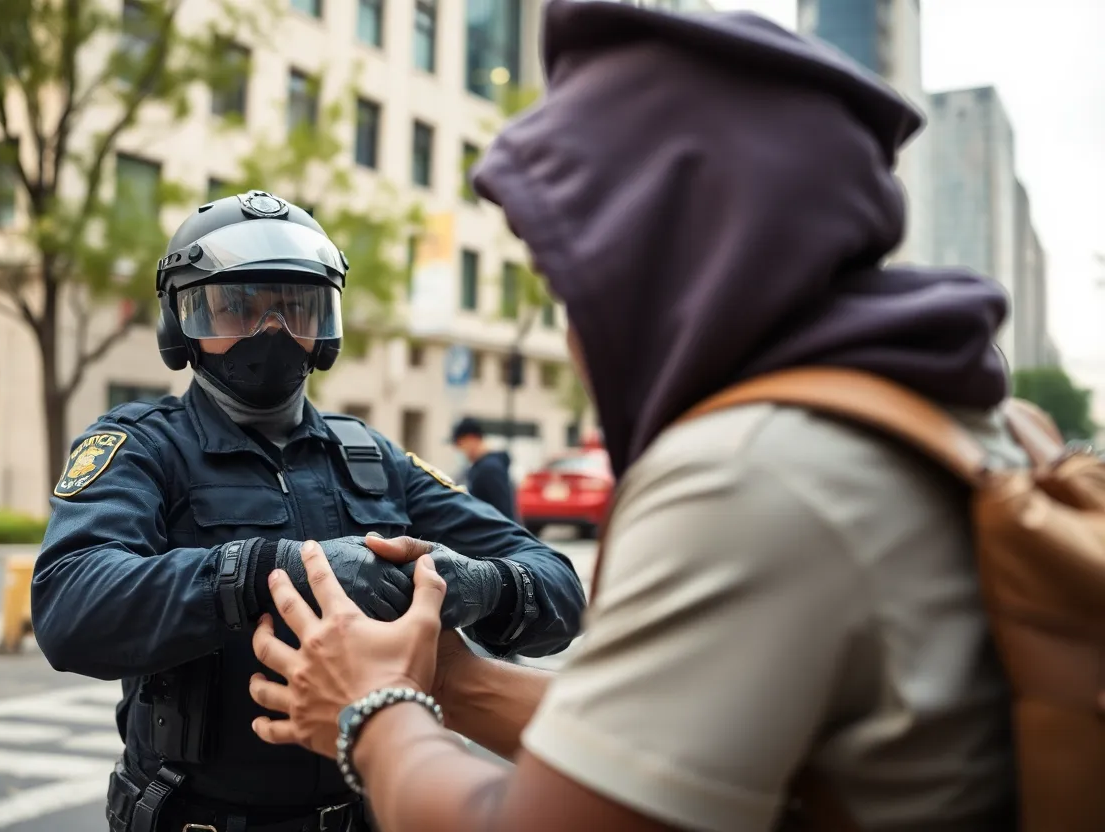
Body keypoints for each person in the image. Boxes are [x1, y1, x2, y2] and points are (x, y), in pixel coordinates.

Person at [241, 3, 1021, 831]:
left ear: (660, 261)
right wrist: (451, 682)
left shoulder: (749, 475)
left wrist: (372, 714)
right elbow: (651, 763)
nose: (576, 334)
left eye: (575, 287)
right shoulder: (921, 412)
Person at [30, 189, 585, 832]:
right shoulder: (145, 446)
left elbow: (558, 585)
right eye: (237, 308)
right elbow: (69, 604)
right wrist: (269, 570)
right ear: (181, 323)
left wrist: (477, 585)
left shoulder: (370, 455)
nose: (273, 333)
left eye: (296, 307)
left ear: (327, 326)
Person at [451, 417, 518, 522]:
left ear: (471, 439)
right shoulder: (481, 467)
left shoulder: (489, 469)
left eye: (461, 444)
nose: (461, 451)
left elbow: (503, 510)